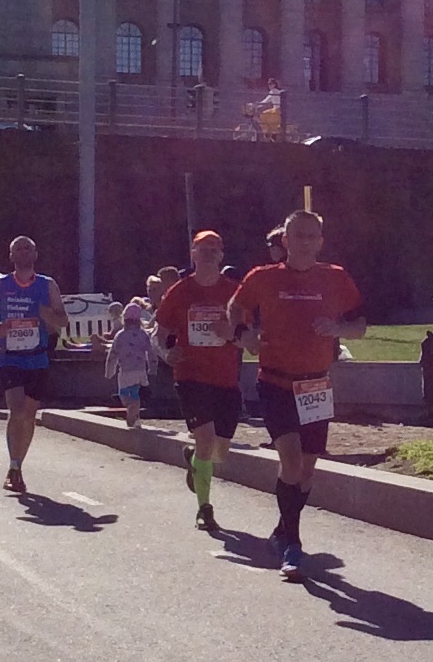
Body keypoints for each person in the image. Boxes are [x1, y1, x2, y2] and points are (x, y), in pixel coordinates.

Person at [228, 210, 367, 579]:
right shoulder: (263, 277)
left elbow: (360, 325)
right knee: (290, 462)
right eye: (297, 236)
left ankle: (281, 529)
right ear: (285, 240)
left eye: (311, 236)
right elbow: (235, 308)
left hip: (316, 386)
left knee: (306, 470)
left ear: (320, 242)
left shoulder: (335, 277)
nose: (304, 242)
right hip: (276, 382)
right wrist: (243, 335)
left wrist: (336, 328)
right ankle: (292, 544)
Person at [157, 232, 242, 533]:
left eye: (213, 249)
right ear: (192, 254)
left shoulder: (234, 292)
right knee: (205, 440)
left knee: (220, 452)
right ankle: (204, 509)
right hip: (190, 376)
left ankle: (194, 459)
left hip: (225, 378)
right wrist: (166, 353)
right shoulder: (179, 291)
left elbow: (247, 334)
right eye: (202, 249)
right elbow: (159, 334)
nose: (207, 254)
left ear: (221, 255)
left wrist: (231, 333)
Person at [0, 235, 68, 494]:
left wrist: (47, 315)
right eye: (18, 249)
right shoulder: (1, 284)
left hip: (37, 357)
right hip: (8, 357)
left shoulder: (47, 285)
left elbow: (63, 321)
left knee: (28, 415)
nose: (24, 252)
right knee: (16, 410)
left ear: (35, 254)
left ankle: (18, 464)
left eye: (28, 248)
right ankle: (14, 467)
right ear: (11, 256)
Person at [105, 302, 155, 429]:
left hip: (125, 371)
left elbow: (112, 355)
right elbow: (151, 352)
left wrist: (109, 371)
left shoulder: (120, 335)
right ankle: (135, 416)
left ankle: (132, 411)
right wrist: (152, 367)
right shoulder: (143, 335)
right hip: (140, 371)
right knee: (135, 394)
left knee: (124, 395)